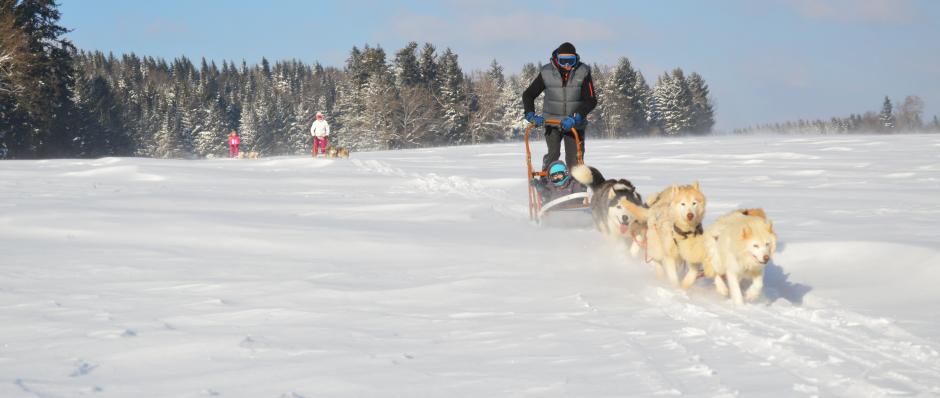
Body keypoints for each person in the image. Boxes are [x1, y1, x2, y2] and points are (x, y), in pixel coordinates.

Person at [522, 42, 598, 174]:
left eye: (571, 61)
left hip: (574, 124)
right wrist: (530, 114)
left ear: (576, 58)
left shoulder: (583, 72)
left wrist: (577, 116)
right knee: (553, 154)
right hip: (552, 123)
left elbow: (591, 100)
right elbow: (528, 95)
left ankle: (577, 190)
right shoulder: (546, 72)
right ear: (557, 59)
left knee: (575, 160)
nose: (567, 65)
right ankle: (546, 186)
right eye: (564, 61)